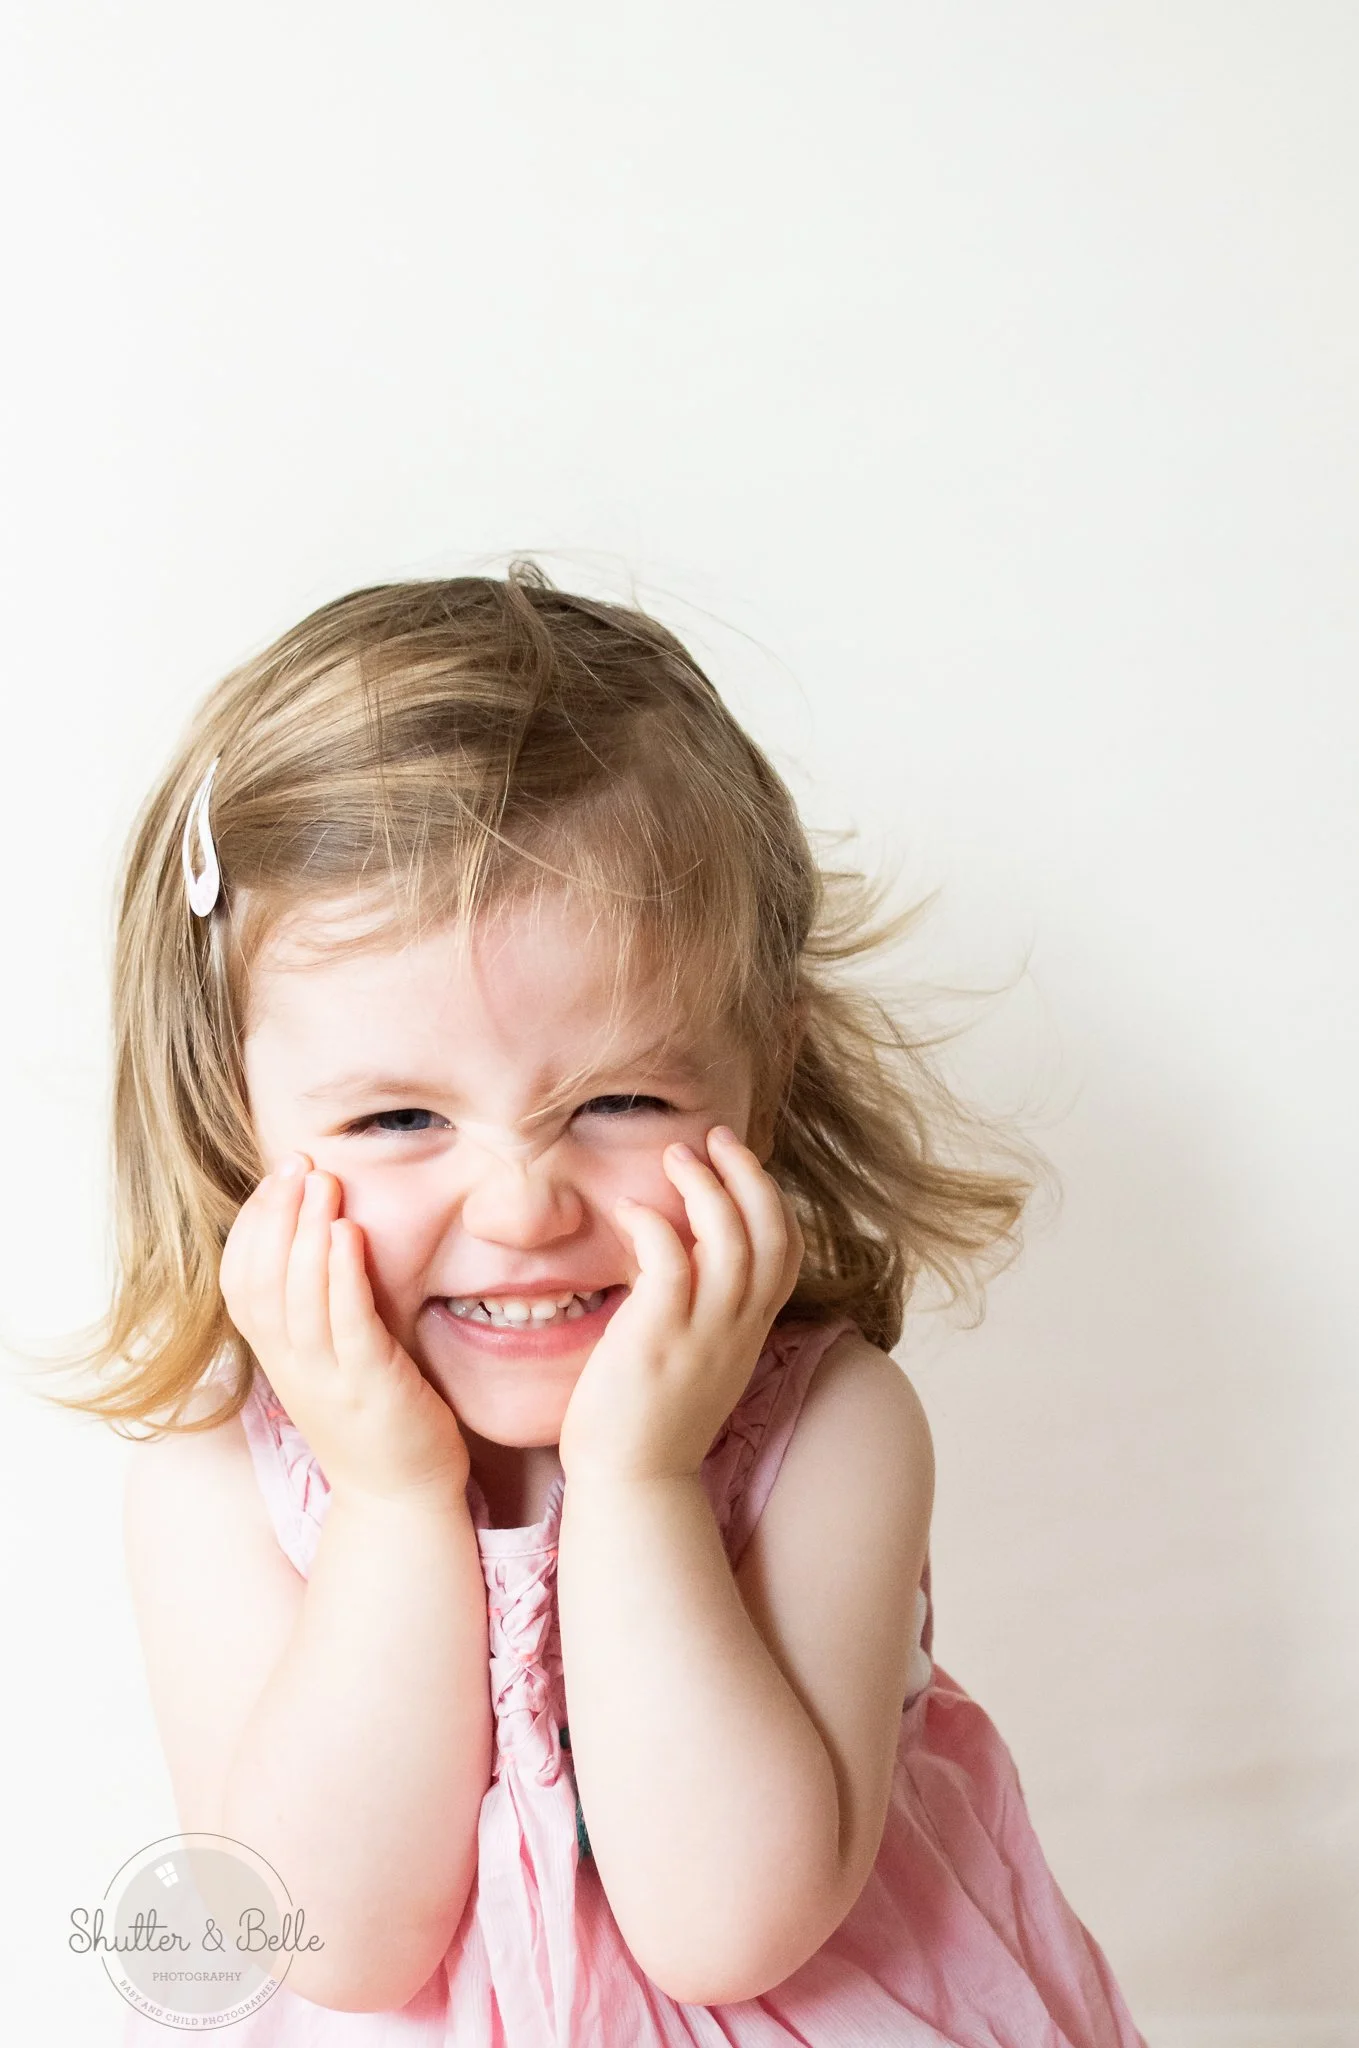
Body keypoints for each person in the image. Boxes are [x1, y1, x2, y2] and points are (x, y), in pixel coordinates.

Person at [50, 564, 1149, 2042]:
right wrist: (390, 1498)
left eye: (621, 1100)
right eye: (397, 1119)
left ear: (765, 1073)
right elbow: (335, 1944)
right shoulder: (214, 1489)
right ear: (231, 1116)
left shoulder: (829, 1430)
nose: (522, 1208)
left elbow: (724, 1923)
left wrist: (640, 1480)